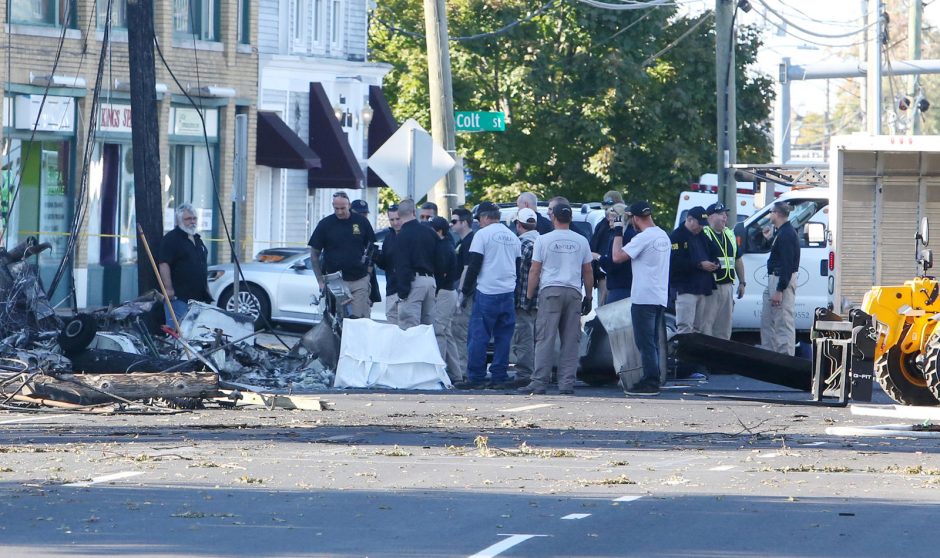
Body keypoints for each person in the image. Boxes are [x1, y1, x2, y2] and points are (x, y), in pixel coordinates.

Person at [519, 202, 593, 395]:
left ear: (553, 218)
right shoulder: (582, 240)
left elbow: (535, 270)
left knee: (545, 337)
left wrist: (528, 295)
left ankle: (539, 381)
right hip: (574, 292)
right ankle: (566, 383)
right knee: (570, 339)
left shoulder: (543, 240)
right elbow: (588, 270)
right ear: (570, 219)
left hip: (551, 290)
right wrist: (589, 296)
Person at [456, 201, 521, 390]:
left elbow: (474, 265)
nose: (478, 223)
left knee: (479, 336)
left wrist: (464, 292)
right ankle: (499, 376)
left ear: (485, 217)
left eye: (479, 220)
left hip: (487, 292)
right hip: (507, 293)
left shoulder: (482, 235)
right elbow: (517, 267)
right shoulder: (512, 237)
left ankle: (476, 377)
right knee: (503, 338)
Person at [611, 200, 671, 396]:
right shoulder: (663, 235)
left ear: (636, 218)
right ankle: (655, 376)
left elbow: (617, 257)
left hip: (643, 297)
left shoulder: (644, 238)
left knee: (644, 342)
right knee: (652, 341)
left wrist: (618, 233)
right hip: (659, 295)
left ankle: (650, 381)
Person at [308, 191, 376, 319]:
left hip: (359, 279)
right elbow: (314, 254)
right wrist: (320, 281)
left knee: (359, 319)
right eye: (336, 208)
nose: (339, 212)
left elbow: (372, 249)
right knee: (338, 319)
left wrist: (368, 273)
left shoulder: (361, 222)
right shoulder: (325, 224)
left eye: (342, 208)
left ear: (349, 205)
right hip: (336, 281)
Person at [158, 203, 212, 326]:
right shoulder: (171, 239)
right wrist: (168, 288)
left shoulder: (197, 239)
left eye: (194, 218)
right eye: (188, 219)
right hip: (179, 297)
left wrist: (207, 288)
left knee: (196, 333)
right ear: (179, 221)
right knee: (179, 333)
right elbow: (163, 263)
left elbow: (202, 266)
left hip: (199, 298)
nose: (192, 222)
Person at [670, 206, 718, 335]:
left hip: (702, 287)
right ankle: (683, 354)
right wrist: (700, 265)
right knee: (685, 327)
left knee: (698, 330)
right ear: (689, 219)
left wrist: (714, 263)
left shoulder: (702, 235)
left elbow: (713, 251)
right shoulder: (676, 236)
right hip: (686, 288)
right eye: (699, 224)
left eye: (703, 225)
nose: (701, 227)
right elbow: (675, 263)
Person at [701, 202, 746, 340]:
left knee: (724, 328)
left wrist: (742, 282)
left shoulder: (729, 234)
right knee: (706, 325)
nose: (725, 217)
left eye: (725, 214)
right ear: (711, 217)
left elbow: (737, 259)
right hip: (711, 287)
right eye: (721, 214)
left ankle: (720, 358)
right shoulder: (704, 234)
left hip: (727, 287)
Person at [761, 201, 800, 355]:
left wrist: (779, 289)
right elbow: (779, 255)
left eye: (771, 212)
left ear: (777, 214)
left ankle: (786, 358)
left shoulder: (787, 234)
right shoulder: (781, 232)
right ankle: (770, 356)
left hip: (780, 280)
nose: (769, 215)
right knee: (768, 321)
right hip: (775, 279)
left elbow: (787, 264)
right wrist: (769, 239)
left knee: (783, 322)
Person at [393, 199, 439, 328]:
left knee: (410, 329)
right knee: (427, 329)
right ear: (414, 212)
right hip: (430, 282)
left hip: (413, 283)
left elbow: (402, 265)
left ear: (399, 215)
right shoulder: (430, 232)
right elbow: (439, 259)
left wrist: (403, 293)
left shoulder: (402, 236)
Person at [509, 208, 540, 388]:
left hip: (524, 299)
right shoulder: (542, 241)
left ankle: (525, 373)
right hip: (543, 298)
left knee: (524, 336)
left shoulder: (523, 245)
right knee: (540, 337)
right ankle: (540, 371)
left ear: (518, 225)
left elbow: (518, 274)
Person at [429, 216, 462, 382]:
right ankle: (457, 373)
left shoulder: (442, 248)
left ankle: (439, 373)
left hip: (443, 292)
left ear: (439, 231)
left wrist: (434, 293)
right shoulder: (448, 244)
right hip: (449, 292)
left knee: (439, 332)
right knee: (447, 334)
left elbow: (441, 273)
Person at [592, 203, 635, 304]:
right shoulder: (629, 234)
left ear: (620, 218)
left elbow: (614, 265)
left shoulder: (622, 237)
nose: (609, 220)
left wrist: (598, 257)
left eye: (612, 217)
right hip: (625, 287)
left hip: (621, 289)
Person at [450, 208, 476, 373]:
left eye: (454, 221)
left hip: (465, 294)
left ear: (464, 223)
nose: (451, 224)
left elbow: (467, 269)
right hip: (461, 291)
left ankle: (462, 370)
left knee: (460, 332)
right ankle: (460, 369)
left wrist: (461, 293)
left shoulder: (469, 242)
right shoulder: (462, 241)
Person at [590, 193, 624, 305]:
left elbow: (611, 254)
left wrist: (599, 259)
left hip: (610, 277)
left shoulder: (620, 231)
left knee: (608, 313)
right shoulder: (603, 224)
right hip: (603, 275)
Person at [373, 203, 402, 324]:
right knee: (392, 325)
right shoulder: (388, 237)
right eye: (392, 219)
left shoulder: (410, 235)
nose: (395, 223)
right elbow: (385, 264)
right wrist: (376, 257)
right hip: (391, 288)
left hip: (408, 290)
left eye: (397, 219)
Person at [351, 199, 383, 309]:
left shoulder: (366, 228)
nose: (363, 217)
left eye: (364, 214)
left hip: (364, 276)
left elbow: (371, 252)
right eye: (360, 214)